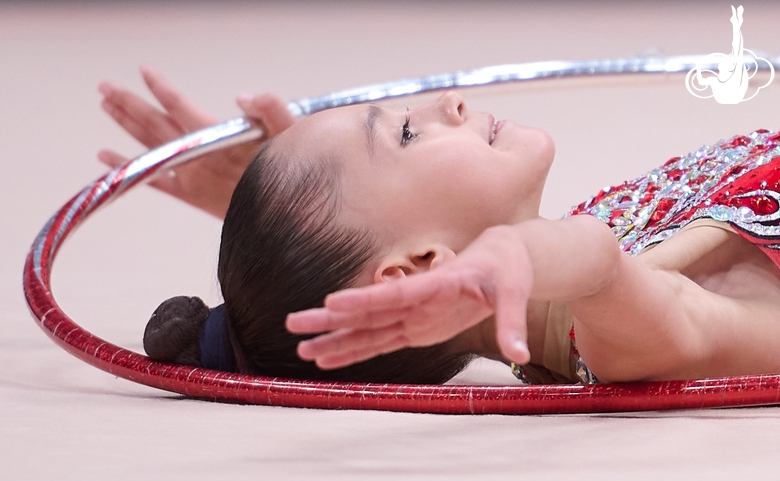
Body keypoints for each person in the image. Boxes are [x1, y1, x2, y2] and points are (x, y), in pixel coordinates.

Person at [98, 67, 780, 385]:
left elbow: (576, 252)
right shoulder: (622, 340)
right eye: (402, 132)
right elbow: (594, 264)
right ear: (425, 265)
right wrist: (504, 253)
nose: (448, 102)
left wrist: (289, 229)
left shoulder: (594, 252)